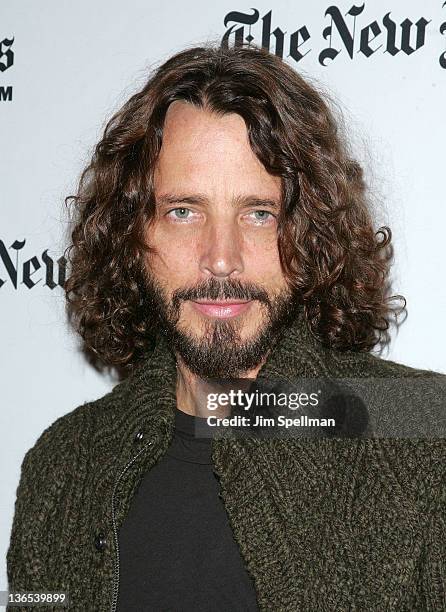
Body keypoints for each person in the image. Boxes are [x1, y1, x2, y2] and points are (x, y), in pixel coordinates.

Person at [6, 43, 446, 612]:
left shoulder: (425, 433)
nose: (221, 258)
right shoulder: (63, 465)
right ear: (132, 237)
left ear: (309, 234)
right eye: (183, 211)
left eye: (258, 214)